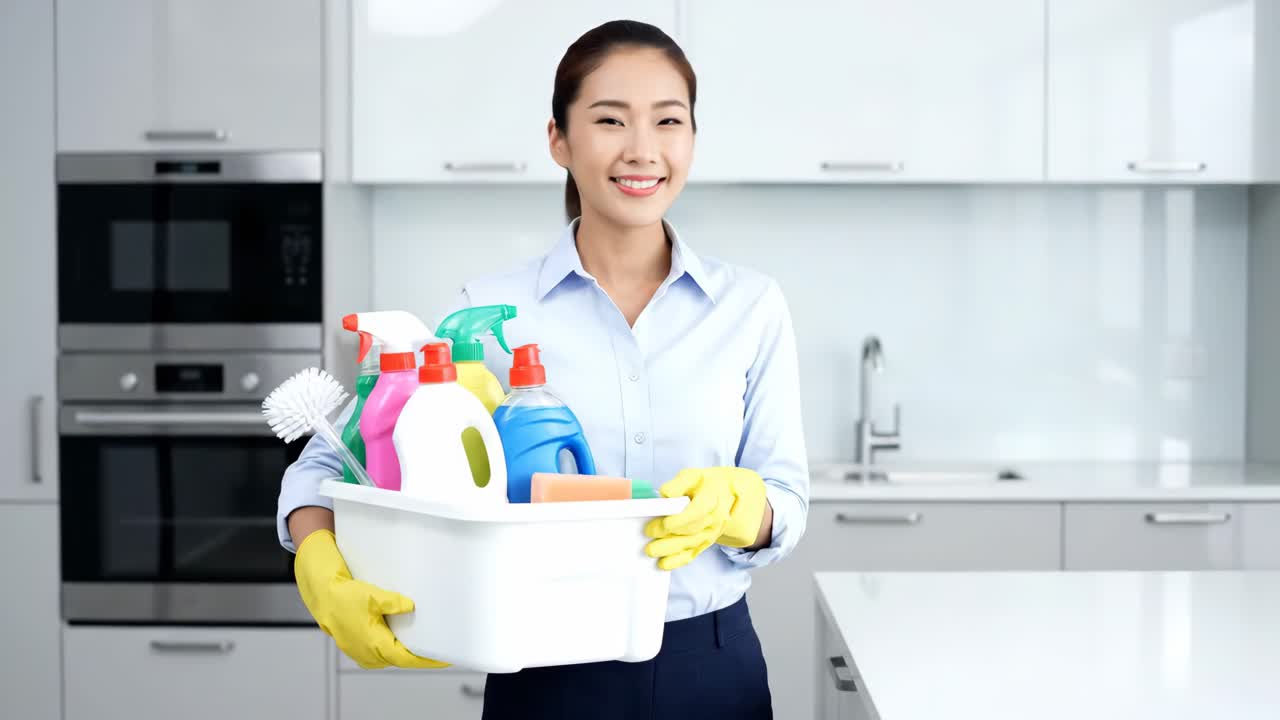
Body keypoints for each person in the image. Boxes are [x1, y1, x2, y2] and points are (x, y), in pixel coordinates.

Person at [277, 19, 809, 719]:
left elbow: (785, 497)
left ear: (692, 140)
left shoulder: (750, 307)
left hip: (710, 666)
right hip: (545, 670)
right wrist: (319, 561)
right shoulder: (488, 314)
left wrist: (747, 509)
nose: (642, 149)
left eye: (668, 121)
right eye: (610, 120)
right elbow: (327, 464)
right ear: (559, 139)